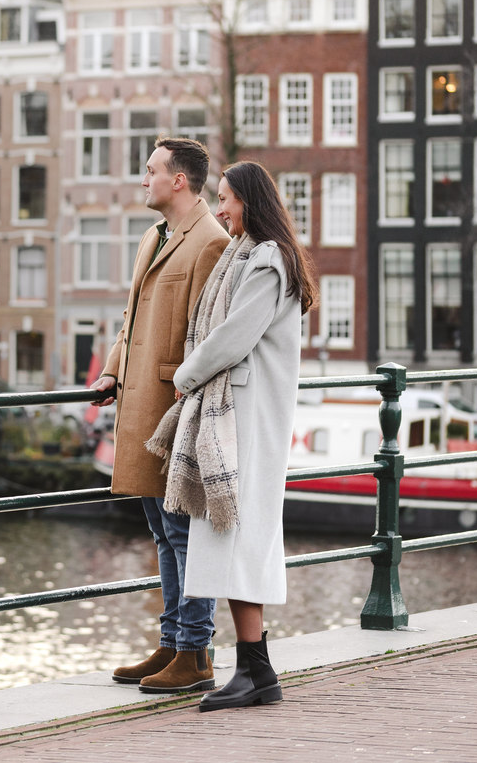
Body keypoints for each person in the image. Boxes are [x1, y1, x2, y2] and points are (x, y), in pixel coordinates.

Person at [146, 160, 317, 711]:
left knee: (240, 536)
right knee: (236, 538)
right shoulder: (254, 257)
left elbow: (232, 336)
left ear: (251, 201)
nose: (220, 210)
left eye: (227, 200)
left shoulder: (267, 263)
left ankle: (257, 673)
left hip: (246, 419)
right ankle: (254, 670)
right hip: (240, 415)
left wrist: (185, 375)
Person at [91, 137, 232, 693]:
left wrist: (184, 388)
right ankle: (172, 642)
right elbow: (132, 317)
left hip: (174, 407)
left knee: (181, 529)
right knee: (160, 528)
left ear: (179, 180)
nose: (142, 179)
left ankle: (195, 653)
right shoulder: (154, 237)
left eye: (150, 171)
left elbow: (210, 335)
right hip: (139, 402)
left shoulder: (211, 243)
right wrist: (110, 370)